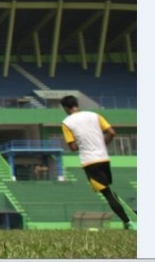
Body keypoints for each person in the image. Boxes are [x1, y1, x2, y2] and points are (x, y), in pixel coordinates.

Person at [60, 94, 134, 230]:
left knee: (107, 193)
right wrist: (102, 144)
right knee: (108, 191)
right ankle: (126, 221)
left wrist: (82, 144)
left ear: (65, 108)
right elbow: (112, 132)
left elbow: (72, 147)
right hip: (104, 159)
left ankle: (128, 222)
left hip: (90, 161)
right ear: (77, 104)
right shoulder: (95, 115)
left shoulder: (66, 123)